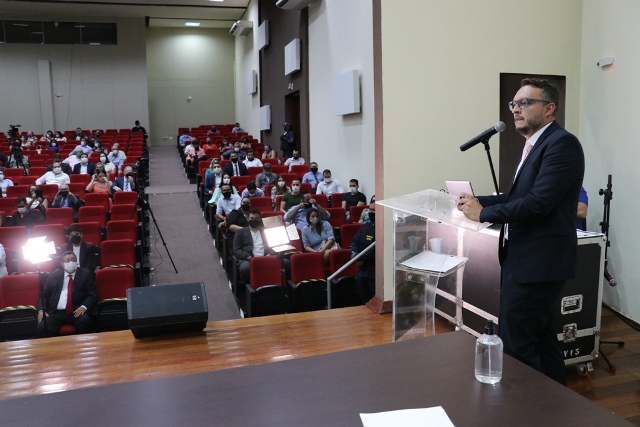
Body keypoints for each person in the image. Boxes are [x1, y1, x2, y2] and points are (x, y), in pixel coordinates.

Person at [457, 78, 584, 385]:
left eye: (525, 103)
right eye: (514, 104)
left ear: (550, 108)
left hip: (539, 261)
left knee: (517, 344)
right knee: (539, 337)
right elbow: (517, 198)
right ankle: (554, 407)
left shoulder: (561, 144)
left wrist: (484, 213)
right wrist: (476, 201)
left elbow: (538, 203)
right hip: (524, 258)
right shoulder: (535, 144)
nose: (515, 109)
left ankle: (523, 410)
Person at [37, 251, 98, 337]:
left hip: (76, 311)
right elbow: (43, 296)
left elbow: (92, 294)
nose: (71, 262)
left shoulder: (86, 274)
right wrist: (41, 310)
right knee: (43, 326)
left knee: (85, 321)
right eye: (67, 260)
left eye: (73, 260)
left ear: (76, 262)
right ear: (62, 264)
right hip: (57, 312)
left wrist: (84, 306)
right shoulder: (53, 275)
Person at [232, 209, 279, 283]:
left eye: (257, 218)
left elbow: (273, 245)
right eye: (252, 218)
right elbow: (236, 250)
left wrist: (270, 254)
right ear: (248, 219)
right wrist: (247, 257)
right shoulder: (240, 232)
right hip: (248, 258)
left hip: (266, 256)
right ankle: (250, 288)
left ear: (260, 219)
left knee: (286, 263)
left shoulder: (265, 231)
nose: (254, 220)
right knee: (245, 268)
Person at [351, 202, 376, 303]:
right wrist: (355, 254)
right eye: (370, 210)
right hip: (361, 271)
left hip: (373, 271)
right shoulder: (366, 226)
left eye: (373, 210)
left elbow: (376, 248)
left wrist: (362, 259)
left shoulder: (382, 228)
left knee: (373, 299)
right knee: (363, 297)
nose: (371, 212)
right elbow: (355, 241)